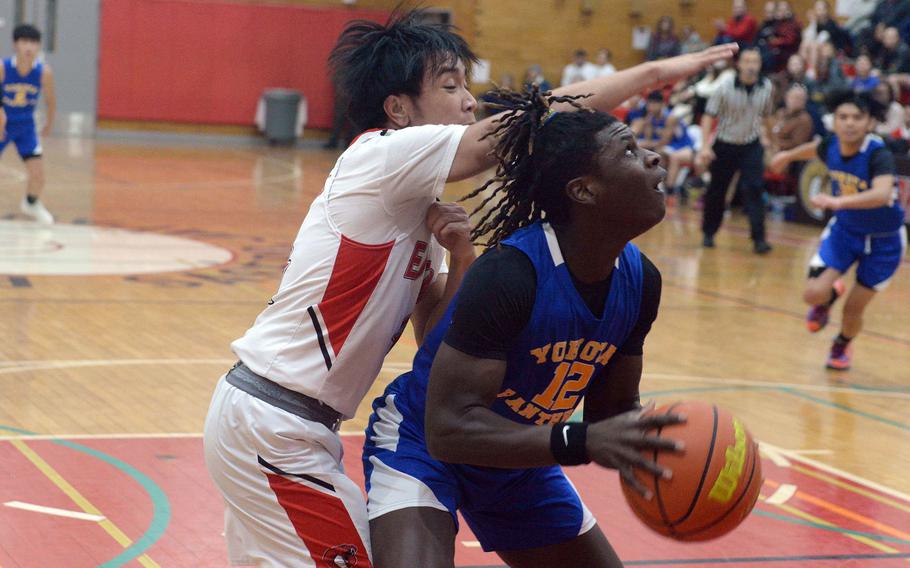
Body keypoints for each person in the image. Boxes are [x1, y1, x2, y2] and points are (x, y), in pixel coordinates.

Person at [202, 8, 738, 566]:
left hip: (283, 424)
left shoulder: (416, 210)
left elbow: (436, 334)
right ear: (398, 109)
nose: (468, 102)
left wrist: (461, 256)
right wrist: (650, 74)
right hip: (275, 424)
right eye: (451, 85)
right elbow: (528, 123)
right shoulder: (379, 155)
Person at [362, 86, 683, 568]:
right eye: (630, 151)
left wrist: (658, 445)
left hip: (517, 456)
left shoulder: (641, 283)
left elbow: (611, 410)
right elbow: (447, 429)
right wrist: (579, 442)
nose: (655, 158)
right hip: (423, 445)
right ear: (584, 190)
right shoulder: (511, 274)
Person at [769, 89, 905, 370]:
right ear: (835, 120)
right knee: (812, 294)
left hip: (884, 242)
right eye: (843, 117)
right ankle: (828, 296)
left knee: (853, 310)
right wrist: (787, 156)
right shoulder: (831, 143)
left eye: (857, 117)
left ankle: (841, 343)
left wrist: (837, 201)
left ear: (869, 122)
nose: (850, 123)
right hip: (845, 231)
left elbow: (880, 194)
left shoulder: (878, 154)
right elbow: (814, 149)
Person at [697, 47, 775, 253]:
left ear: (759, 65)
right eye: (747, 61)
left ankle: (759, 239)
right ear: (739, 64)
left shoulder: (766, 87)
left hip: (751, 144)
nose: (751, 66)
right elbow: (708, 115)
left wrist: (771, 143)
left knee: (755, 189)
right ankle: (708, 232)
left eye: (755, 61)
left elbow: (767, 117)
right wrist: (705, 146)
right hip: (725, 143)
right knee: (717, 190)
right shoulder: (724, 86)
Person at [0, 24, 55, 224]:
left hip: (26, 127)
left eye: (33, 42)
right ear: (15, 44)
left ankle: (31, 203)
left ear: (39, 46)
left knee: (38, 176)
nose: (29, 47)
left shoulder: (43, 72)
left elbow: (50, 100)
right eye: (24, 42)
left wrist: (49, 123)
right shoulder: (3, 68)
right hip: (2, 124)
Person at [631, 90, 695, 200]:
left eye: (654, 104)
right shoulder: (649, 118)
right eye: (649, 104)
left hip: (682, 145)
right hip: (669, 146)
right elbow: (649, 139)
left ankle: (670, 191)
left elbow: (665, 141)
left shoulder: (670, 117)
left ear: (662, 104)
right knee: (644, 150)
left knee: (663, 154)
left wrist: (647, 143)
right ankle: (650, 186)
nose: (651, 107)